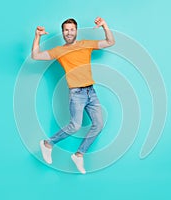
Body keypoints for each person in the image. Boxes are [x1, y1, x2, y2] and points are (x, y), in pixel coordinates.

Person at [31, 17, 115, 174]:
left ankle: (79, 154)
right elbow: (35, 55)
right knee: (75, 125)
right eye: (66, 30)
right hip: (76, 93)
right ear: (63, 33)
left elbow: (110, 42)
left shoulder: (86, 44)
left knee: (99, 125)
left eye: (72, 29)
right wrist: (37, 36)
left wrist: (105, 25)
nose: (69, 33)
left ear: (76, 31)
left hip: (91, 91)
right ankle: (48, 144)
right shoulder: (59, 51)